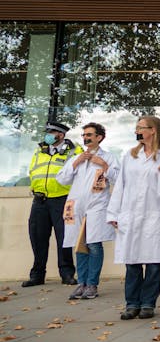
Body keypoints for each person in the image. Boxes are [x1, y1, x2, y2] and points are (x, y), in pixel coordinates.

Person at [107, 116, 160, 320]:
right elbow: (121, 185)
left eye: (141, 128)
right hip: (131, 214)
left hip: (154, 215)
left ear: (153, 130)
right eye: (136, 128)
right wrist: (113, 213)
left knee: (154, 262)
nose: (137, 131)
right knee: (132, 261)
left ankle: (148, 303)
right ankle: (132, 303)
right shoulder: (130, 155)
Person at [57, 122, 119, 300]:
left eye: (89, 135)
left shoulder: (108, 156)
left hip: (97, 205)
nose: (85, 138)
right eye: (84, 135)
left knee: (93, 244)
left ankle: (92, 284)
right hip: (76, 206)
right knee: (79, 246)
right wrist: (76, 162)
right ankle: (81, 283)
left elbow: (118, 178)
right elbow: (62, 179)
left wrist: (104, 165)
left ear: (99, 137)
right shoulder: (77, 157)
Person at [24, 121, 82, 287]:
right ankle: (37, 275)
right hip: (39, 200)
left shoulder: (74, 151)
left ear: (61, 135)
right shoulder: (39, 150)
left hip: (62, 199)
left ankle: (67, 274)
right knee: (37, 237)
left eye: (51, 132)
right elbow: (33, 171)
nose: (47, 135)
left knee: (64, 238)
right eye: (47, 132)